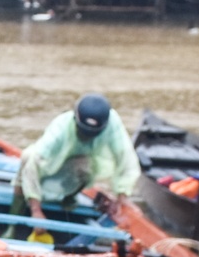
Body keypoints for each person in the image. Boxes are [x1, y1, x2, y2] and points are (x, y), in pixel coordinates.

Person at [13, 93, 140, 223]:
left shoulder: (113, 124)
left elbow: (127, 161)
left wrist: (122, 196)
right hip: (52, 163)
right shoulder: (60, 127)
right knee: (26, 158)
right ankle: (13, 222)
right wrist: (36, 211)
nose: (87, 137)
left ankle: (69, 196)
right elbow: (32, 163)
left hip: (81, 164)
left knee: (86, 167)